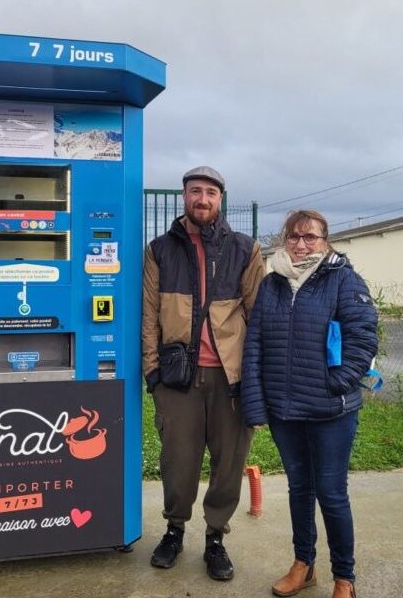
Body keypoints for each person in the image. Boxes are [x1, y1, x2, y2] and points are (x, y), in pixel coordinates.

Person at [240, 210, 377, 598]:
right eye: (294, 237)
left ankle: (344, 579)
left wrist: (336, 382)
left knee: (332, 493)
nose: (301, 245)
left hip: (331, 410)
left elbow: (363, 339)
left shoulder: (344, 280)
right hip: (285, 410)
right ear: (286, 241)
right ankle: (304, 565)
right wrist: (256, 402)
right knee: (299, 489)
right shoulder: (272, 284)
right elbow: (255, 346)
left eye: (310, 237)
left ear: (325, 240)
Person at [141, 165, 265, 581]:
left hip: (231, 378)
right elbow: (149, 316)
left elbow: (258, 314)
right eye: (195, 191)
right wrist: (153, 373)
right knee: (178, 461)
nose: (203, 199)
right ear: (184, 197)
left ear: (220, 199)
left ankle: (216, 537)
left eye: (211, 192)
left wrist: (256, 377)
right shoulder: (159, 249)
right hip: (178, 378)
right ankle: (174, 530)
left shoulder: (245, 248)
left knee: (229, 462)